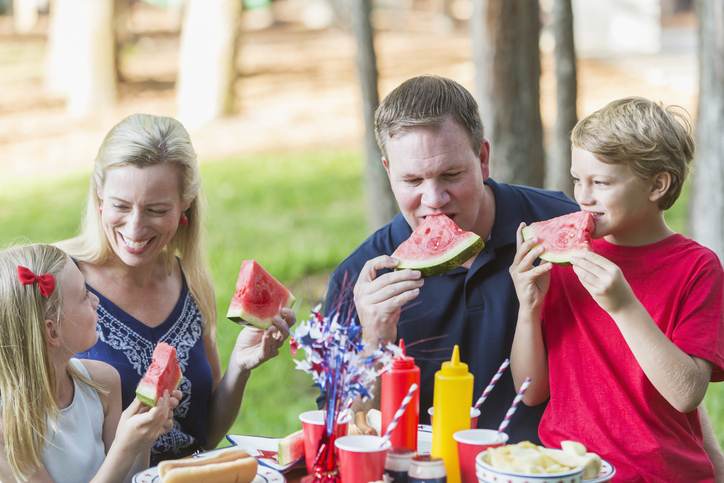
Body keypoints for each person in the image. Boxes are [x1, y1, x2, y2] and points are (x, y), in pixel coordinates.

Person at [324, 75, 578, 443]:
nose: (434, 199)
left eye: (451, 175)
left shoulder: (554, 223)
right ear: (387, 171)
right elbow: (347, 433)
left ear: (484, 158)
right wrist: (373, 340)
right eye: (412, 180)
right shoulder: (361, 279)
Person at [59, 113, 295, 464]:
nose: (135, 228)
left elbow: (203, 434)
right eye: (122, 206)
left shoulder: (190, 280)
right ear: (99, 197)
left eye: (156, 209)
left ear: (185, 204)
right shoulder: (61, 280)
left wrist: (240, 366)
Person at [510, 97, 723, 481]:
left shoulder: (697, 267)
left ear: (658, 184)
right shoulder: (566, 259)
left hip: (658, 473)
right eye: (578, 179)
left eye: (601, 182)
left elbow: (687, 392)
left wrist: (623, 306)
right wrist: (528, 309)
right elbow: (530, 391)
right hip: (568, 469)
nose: (583, 196)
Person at [0, 244, 180, 483]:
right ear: (52, 331)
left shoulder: (103, 382)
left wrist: (143, 439)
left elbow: (129, 478)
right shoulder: (9, 429)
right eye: (84, 294)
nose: (96, 300)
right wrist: (124, 446)